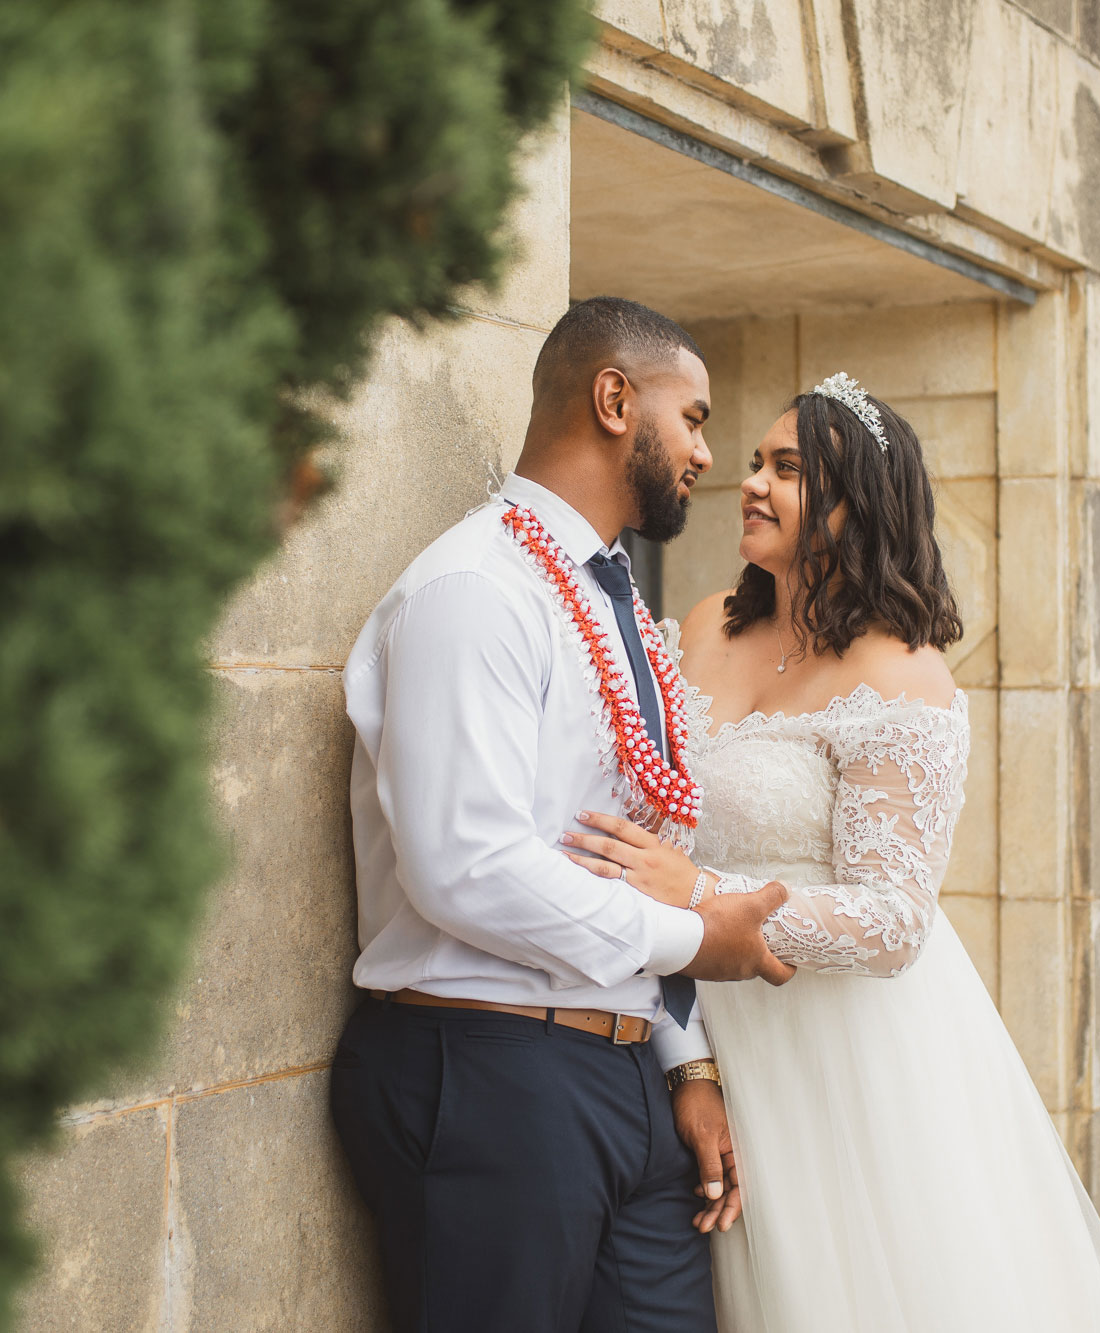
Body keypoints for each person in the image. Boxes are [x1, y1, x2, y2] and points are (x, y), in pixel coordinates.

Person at [560, 374, 1100, 1331]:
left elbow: (893, 919)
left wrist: (703, 889)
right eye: (755, 462)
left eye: (786, 469)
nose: (751, 482)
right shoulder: (708, 621)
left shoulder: (900, 673)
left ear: (856, 503)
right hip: (687, 1026)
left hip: (836, 1057)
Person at [332, 296, 794, 1333]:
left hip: (626, 1079)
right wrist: (693, 939)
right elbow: (465, 866)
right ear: (614, 398)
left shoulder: (614, 599)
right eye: (694, 417)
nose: (707, 454)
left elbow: (637, 839)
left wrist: (684, 1061)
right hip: (490, 1073)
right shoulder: (473, 589)